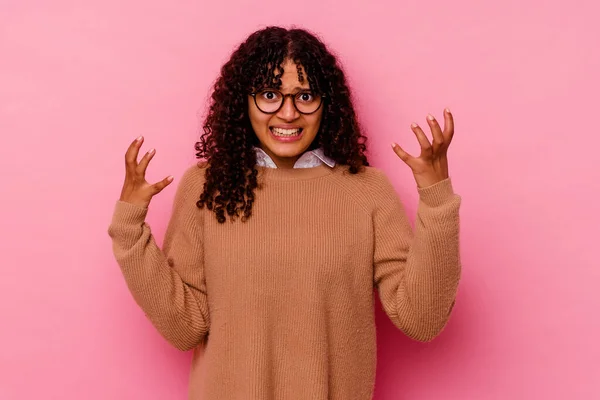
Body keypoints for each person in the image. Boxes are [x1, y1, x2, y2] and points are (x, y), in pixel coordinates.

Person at [108, 26, 461, 400]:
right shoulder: (207, 187)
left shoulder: (366, 191)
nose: (288, 113)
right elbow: (185, 328)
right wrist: (129, 226)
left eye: (305, 96)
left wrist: (436, 198)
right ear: (243, 101)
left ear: (327, 103)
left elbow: (422, 319)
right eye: (270, 95)